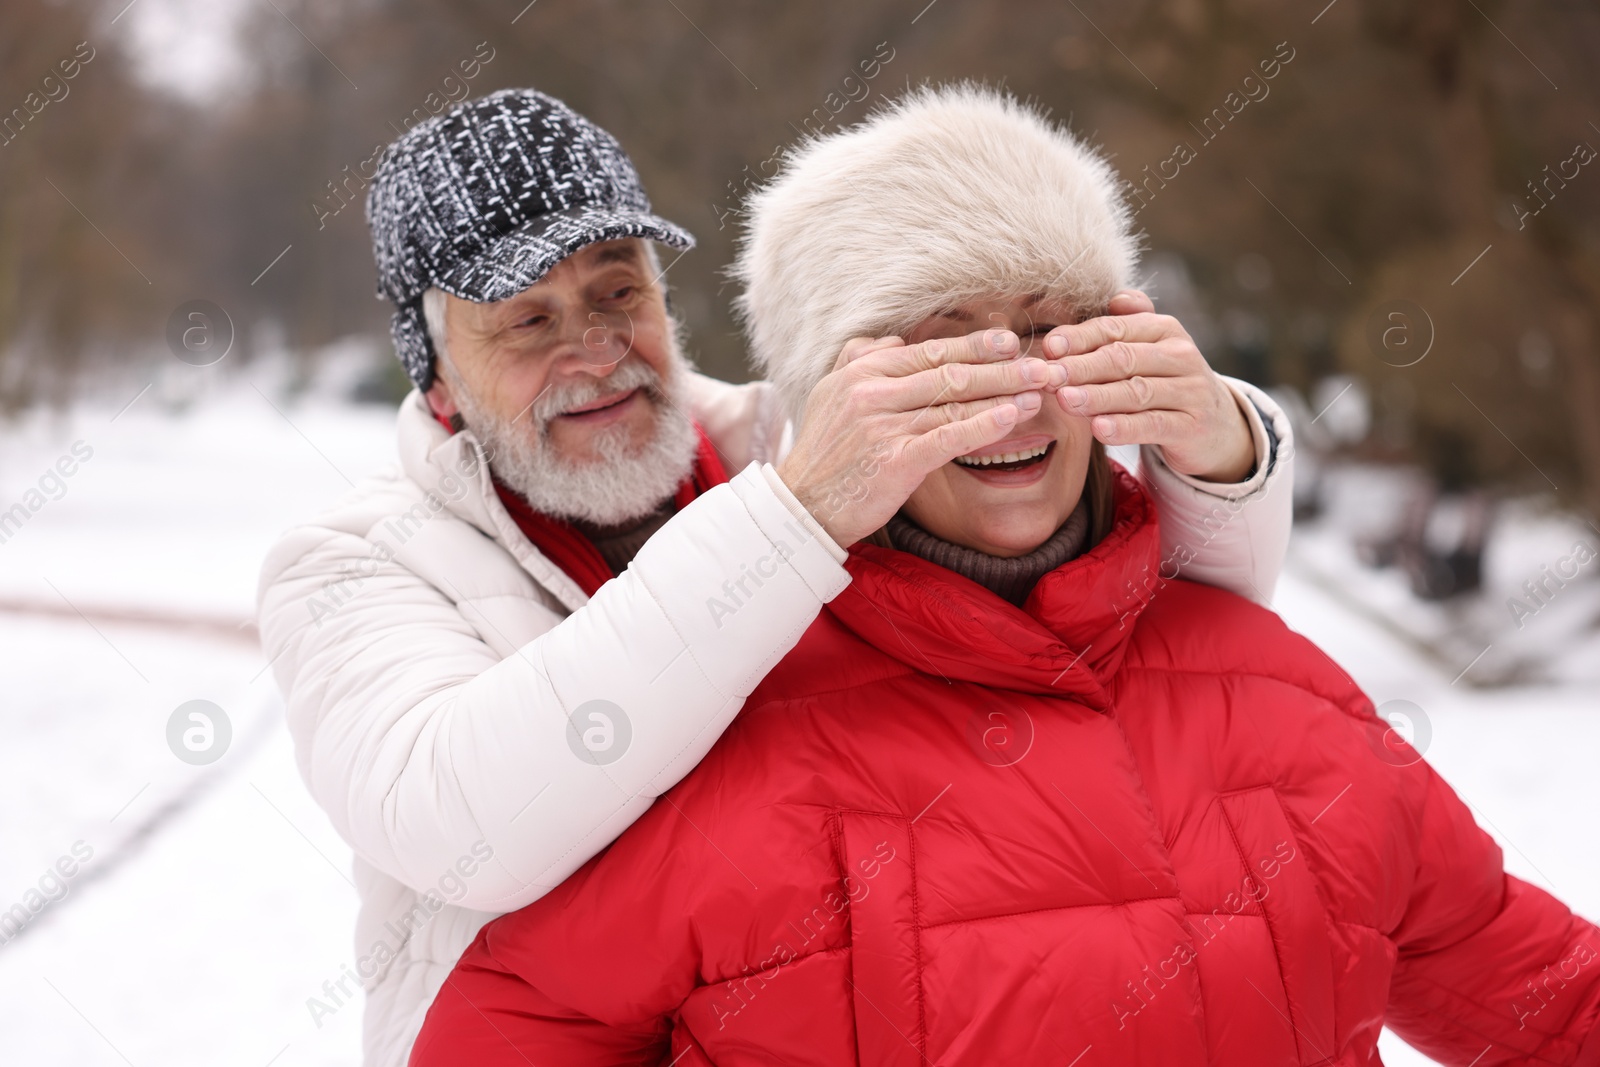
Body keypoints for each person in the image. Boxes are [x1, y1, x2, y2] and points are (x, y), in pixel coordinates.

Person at [409, 86, 1600, 1066]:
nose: (1017, 383)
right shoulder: (715, 742)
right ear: (839, 402)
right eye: (939, 341)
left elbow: (1544, 1001)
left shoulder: (1291, 698)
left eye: (1050, 325)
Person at [256, 88, 1296, 1067]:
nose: (594, 349)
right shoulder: (348, 566)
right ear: (432, 369)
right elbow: (463, 829)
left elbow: (1136, 639)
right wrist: (794, 519)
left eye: (619, 289)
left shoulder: (799, 448)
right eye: (527, 320)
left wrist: (1219, 449)